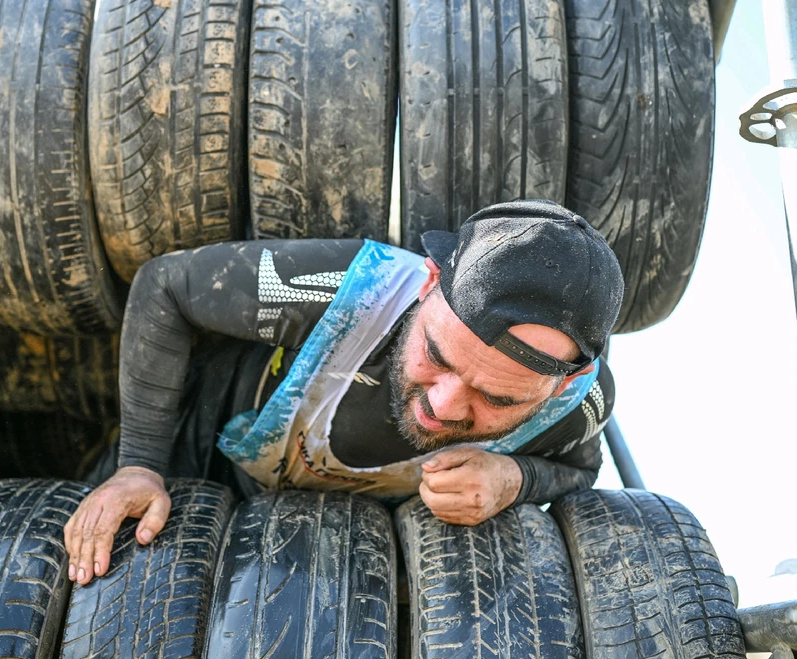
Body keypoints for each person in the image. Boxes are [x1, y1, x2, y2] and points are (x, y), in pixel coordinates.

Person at [63, 200, 624, 585]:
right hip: (191, 460)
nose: (444, 406)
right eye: (436, 356)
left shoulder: (578, 404)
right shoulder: (354, 289)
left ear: (563, 384)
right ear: (429, 284)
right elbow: (166, 287)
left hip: (324, 566)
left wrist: (513, 478)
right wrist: (138, 466)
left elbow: (578, 470)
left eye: (497, 399)